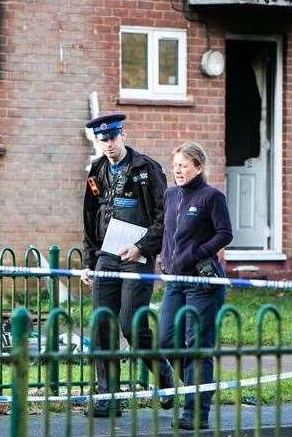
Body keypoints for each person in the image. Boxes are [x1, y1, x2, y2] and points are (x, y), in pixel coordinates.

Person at [80, 112, 175, 418]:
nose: (108, 144)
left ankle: (162, 372)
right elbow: (89, 219)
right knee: (103, 326)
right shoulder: (97, 172)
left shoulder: (146, 168)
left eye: (112, 137)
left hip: (137, 256)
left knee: (130, 324)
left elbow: (166, 215)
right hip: (107, 256)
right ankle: (108, 395)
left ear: (122, 135)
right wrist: (89, 261)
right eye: (102, 139)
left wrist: (142, 247)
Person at [158, 142, 233, 430]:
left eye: (184, 165)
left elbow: (225, 234)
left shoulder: (211, 197)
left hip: (203, 281)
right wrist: (166, 259)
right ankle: (197, 384)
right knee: (166, 339)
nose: (178, 170)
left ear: (198, 167)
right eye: (175, 165)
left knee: (197, 345)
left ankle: (196, 411)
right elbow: (167, 231)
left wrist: (195, 253)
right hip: (176, 281)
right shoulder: (171, 194)